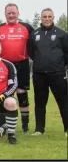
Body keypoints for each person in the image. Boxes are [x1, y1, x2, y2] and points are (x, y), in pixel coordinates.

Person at [0, 3, 34, 133]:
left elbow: (34, 46)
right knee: (4, 94)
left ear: (18, 13)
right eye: (9, 13)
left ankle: (25, 126)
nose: (11, 15)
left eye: (13, 13)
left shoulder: (27, 27)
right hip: (4, 65)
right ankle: (4, 125)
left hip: (22, 64)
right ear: (5, 14)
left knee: (22, 94)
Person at [29, 8, 68, 136]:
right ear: (41, 18)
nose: (47, 19)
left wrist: (59, 65)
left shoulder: (61, 34)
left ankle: (67, 128)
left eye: (49, 16)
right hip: (39, 74)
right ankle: (39, 129)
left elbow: (66, 53)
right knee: (40, 102)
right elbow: (31, 53)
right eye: (44, 16)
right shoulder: (34, 34)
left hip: (57, 73)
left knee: (63, 101)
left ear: (53, 17)